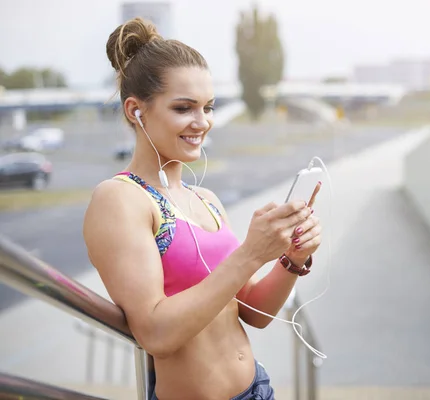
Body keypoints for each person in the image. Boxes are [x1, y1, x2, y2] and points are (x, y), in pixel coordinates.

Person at [83, 17, 322, 400]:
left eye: (208, 107)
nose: (203, 122)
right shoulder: (120, 198)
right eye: (184, 108)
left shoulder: (206, 200)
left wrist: (292, 258)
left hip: (258, 388)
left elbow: (255, 313)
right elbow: (156, 333)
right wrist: (249, 253)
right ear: (135, 111)